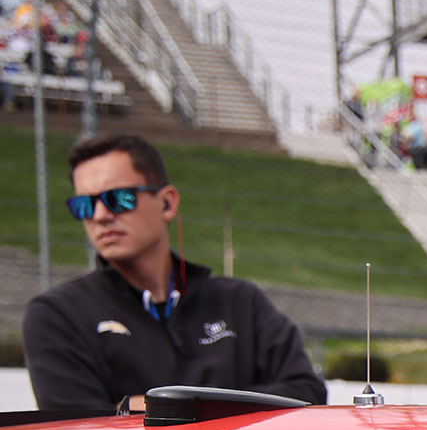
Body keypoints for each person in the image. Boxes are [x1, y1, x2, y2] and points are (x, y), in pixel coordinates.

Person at [23, 133, 326, 414]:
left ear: (167, 202)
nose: (100, 216)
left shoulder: (241, 302)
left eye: (118, 198)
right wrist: (234, 405)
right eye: (84, 205)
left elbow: (307, 393)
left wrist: (148, 408)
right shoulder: (58, 316)